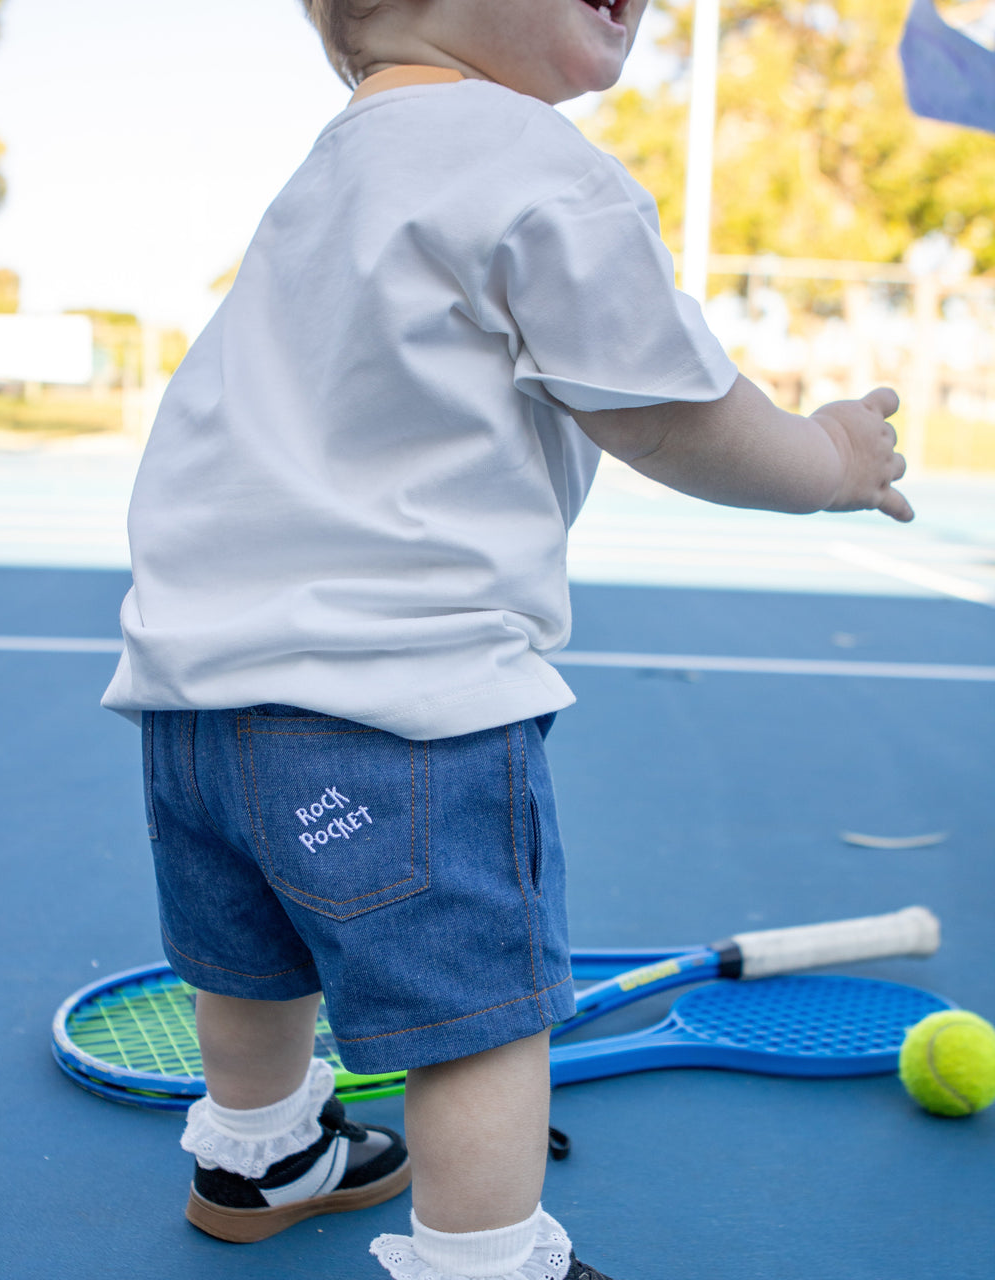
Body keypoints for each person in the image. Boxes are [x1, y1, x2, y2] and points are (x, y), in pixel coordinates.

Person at [102, 2, 913, 1277]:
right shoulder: (530, 161)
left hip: (195, 710)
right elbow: (670, 410)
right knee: (477, 1018)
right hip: (398, 710)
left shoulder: (324, 178)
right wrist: (828, 456)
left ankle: (257, 1154)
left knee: (253, 959)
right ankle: (487, 1258)